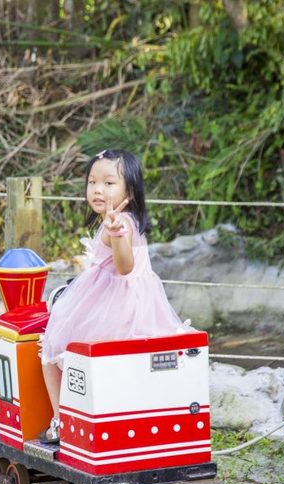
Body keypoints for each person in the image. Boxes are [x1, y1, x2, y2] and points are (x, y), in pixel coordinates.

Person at [39, 149, 191, 443]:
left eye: (109, 183)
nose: (98, 189)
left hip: (115, 308)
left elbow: (125, 267)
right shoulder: (125, 220)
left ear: (129, 191)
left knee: (51, 347)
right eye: (92, 182)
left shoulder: (120, 224)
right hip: (136, 306)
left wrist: (115, 232)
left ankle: (61, 420)